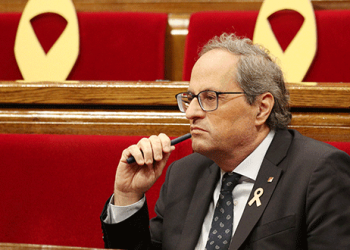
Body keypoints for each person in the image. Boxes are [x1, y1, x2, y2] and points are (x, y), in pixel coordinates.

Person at [100, 33, 350, 250]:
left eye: (210, 97)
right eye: (190, 98)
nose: (191, 113)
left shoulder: (319, 172)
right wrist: (128, 195)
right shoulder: (184, 174)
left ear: (261, 108)